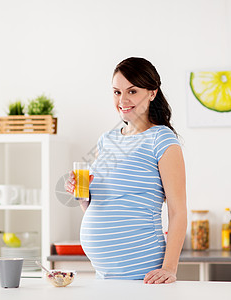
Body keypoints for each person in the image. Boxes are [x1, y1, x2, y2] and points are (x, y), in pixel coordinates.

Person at [65, 57, 187, 284]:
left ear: (152, 93)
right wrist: (82, 195)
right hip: (104, 275)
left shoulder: (162, 139)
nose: (122, 100)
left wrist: (170, 268)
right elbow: (100, 207)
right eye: (116, 92)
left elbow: (178, 211)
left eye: (132, 91)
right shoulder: (107, 140)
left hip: (141, 271)